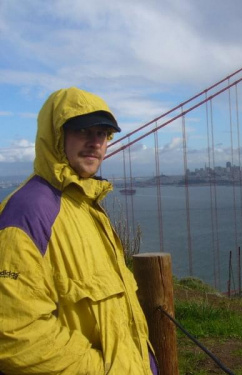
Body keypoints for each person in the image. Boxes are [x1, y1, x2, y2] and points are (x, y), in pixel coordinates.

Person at [0, 87, 158, 374]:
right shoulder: (28, 213)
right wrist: (111, 370)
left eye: (103, 133)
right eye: (83, 130)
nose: (95, 142)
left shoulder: (87, 205)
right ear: (57, 136)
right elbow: (14, 335)